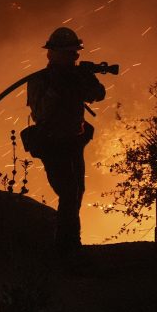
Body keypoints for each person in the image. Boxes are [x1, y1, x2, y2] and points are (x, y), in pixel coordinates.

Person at [25, 26, 106, 255]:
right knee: (69, 192)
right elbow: (41, 114)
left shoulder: (76, 76)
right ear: (53, 54)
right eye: (70, 53)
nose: (75, 56)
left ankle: (70, 245)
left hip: (74, 142)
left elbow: (98, 94)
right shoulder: (40, 80)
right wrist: (57, 89)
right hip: (53, 144)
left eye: (75, 52)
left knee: (77, 191)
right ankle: (65, 248)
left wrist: (85, 79)